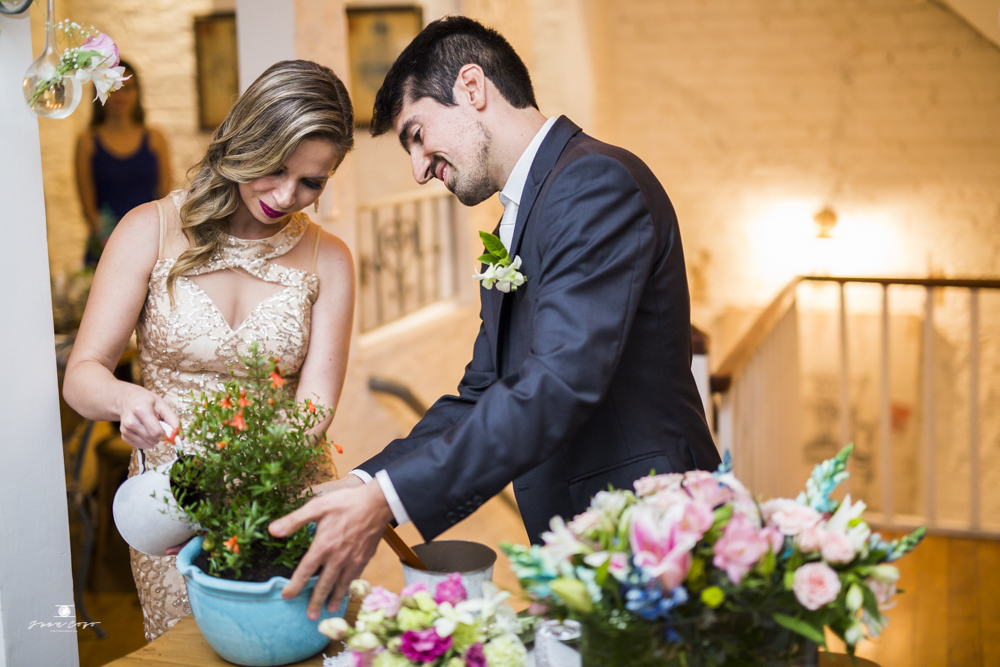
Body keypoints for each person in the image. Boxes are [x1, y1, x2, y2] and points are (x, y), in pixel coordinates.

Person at [270, 16, 721, 620]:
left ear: (472, 87)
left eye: (417, 134)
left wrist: (388, 502)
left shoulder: (593, 184)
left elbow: (558, 384)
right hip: (587, 534)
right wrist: (362, 484)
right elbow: (481, 394)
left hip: (652, 527)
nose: (418, 168)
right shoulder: (525, 214)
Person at [63, 59, 356, 641]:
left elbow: (316, 405)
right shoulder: (148, 229)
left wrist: (250, 487)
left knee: (288, 647)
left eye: (311, 183)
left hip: (280, 495)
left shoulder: (331, 258)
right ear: (245, 142)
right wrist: (125, 399)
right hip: (172, 501)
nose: (286, 195)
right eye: (275, 168)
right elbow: (82, 375)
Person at [75, 60, 172, 267]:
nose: (121, 95)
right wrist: (112, 243)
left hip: (151, 242)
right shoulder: (87, 141)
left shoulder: (156, 138)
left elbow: (166, 197)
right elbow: (88, 207)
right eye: (113, 88)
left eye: (127, 88)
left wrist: (156, 240)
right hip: (105, 245)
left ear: (137, 93)